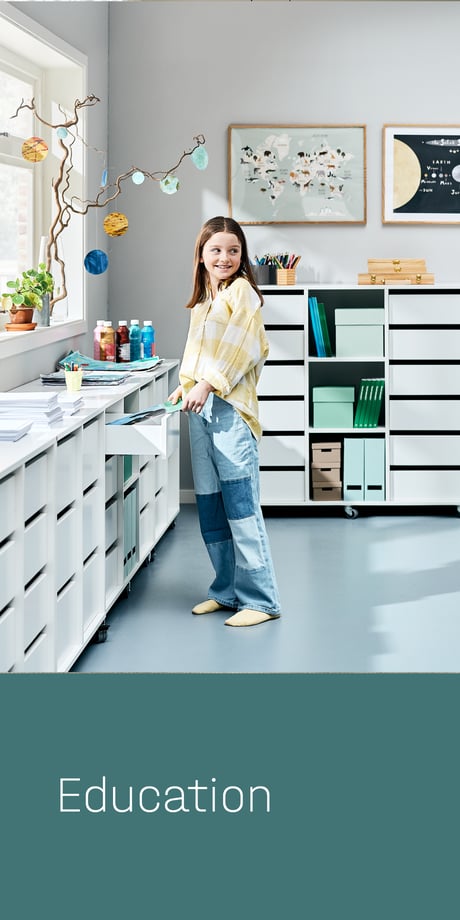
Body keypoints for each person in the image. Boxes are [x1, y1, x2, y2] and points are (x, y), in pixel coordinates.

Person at [168, 215, 281, 627]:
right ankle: (227, 590)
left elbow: (242, 348)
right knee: (212, 506)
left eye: (233, 250)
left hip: (230, 412)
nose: (225, 257)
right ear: (201, 255)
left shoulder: (243, 294)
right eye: (216, 249)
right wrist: (186, 385)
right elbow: (197, 352)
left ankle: (261, 600)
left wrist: (208, 385)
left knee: (241, 507)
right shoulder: (204, 301)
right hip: (202, 410)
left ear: (242, 255)